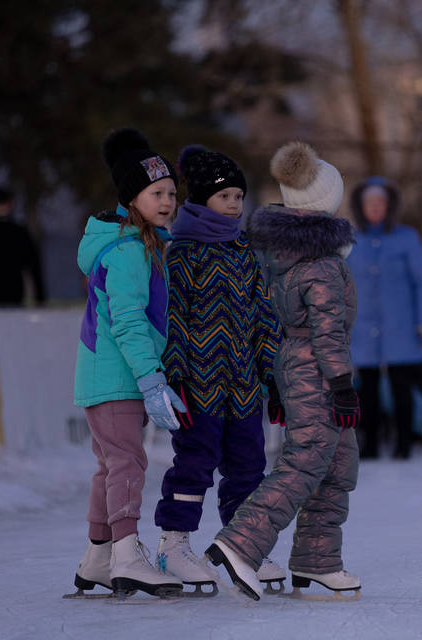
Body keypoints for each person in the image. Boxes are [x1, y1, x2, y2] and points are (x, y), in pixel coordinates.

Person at [205, 141, 361, 601]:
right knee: (304, 462)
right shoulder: (322, 265)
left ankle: (318, 561)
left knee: (336, 465)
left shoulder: (286, 256)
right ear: (325, 204)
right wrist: (342, 385)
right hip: (319, 373)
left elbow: (277, 321)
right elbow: (326, 332)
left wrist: (278, 382)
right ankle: (239, 544)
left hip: (297, 367)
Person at [151, 145, 284, 595]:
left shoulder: (244, 251)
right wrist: (175, 376)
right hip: (198, 382)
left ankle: (245, 546)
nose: (234, 204)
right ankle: (174, 545)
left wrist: (274, 376)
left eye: (238, 197)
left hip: (244, 384)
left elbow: (264, 316)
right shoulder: (182, 252)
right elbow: (172, 320)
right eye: (225, 196)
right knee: (194, 463)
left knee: (249, 466)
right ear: (202, 199)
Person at [70, 128, 185, 599]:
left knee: (109, 465)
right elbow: (129, 321)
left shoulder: (137, 244)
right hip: (117, 378)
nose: (167, 202)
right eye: (156, 193)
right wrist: (151, 377)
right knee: (127, 463)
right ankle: (124, 554)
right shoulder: (128, 250)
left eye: (172, 193)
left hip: (107, 377)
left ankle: (98, 558)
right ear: (131, 198)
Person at [346, 176, 422, 460]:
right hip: (363, 328)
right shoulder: (349, 239)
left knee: (401, 389)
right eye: (369, 202)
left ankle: (403, 444)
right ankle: (370, 443)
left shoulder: (406, 237)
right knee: (367, 389)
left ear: (389, 206)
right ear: (361, 206)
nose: (375, 208)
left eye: (380, 202)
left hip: (401, 325)